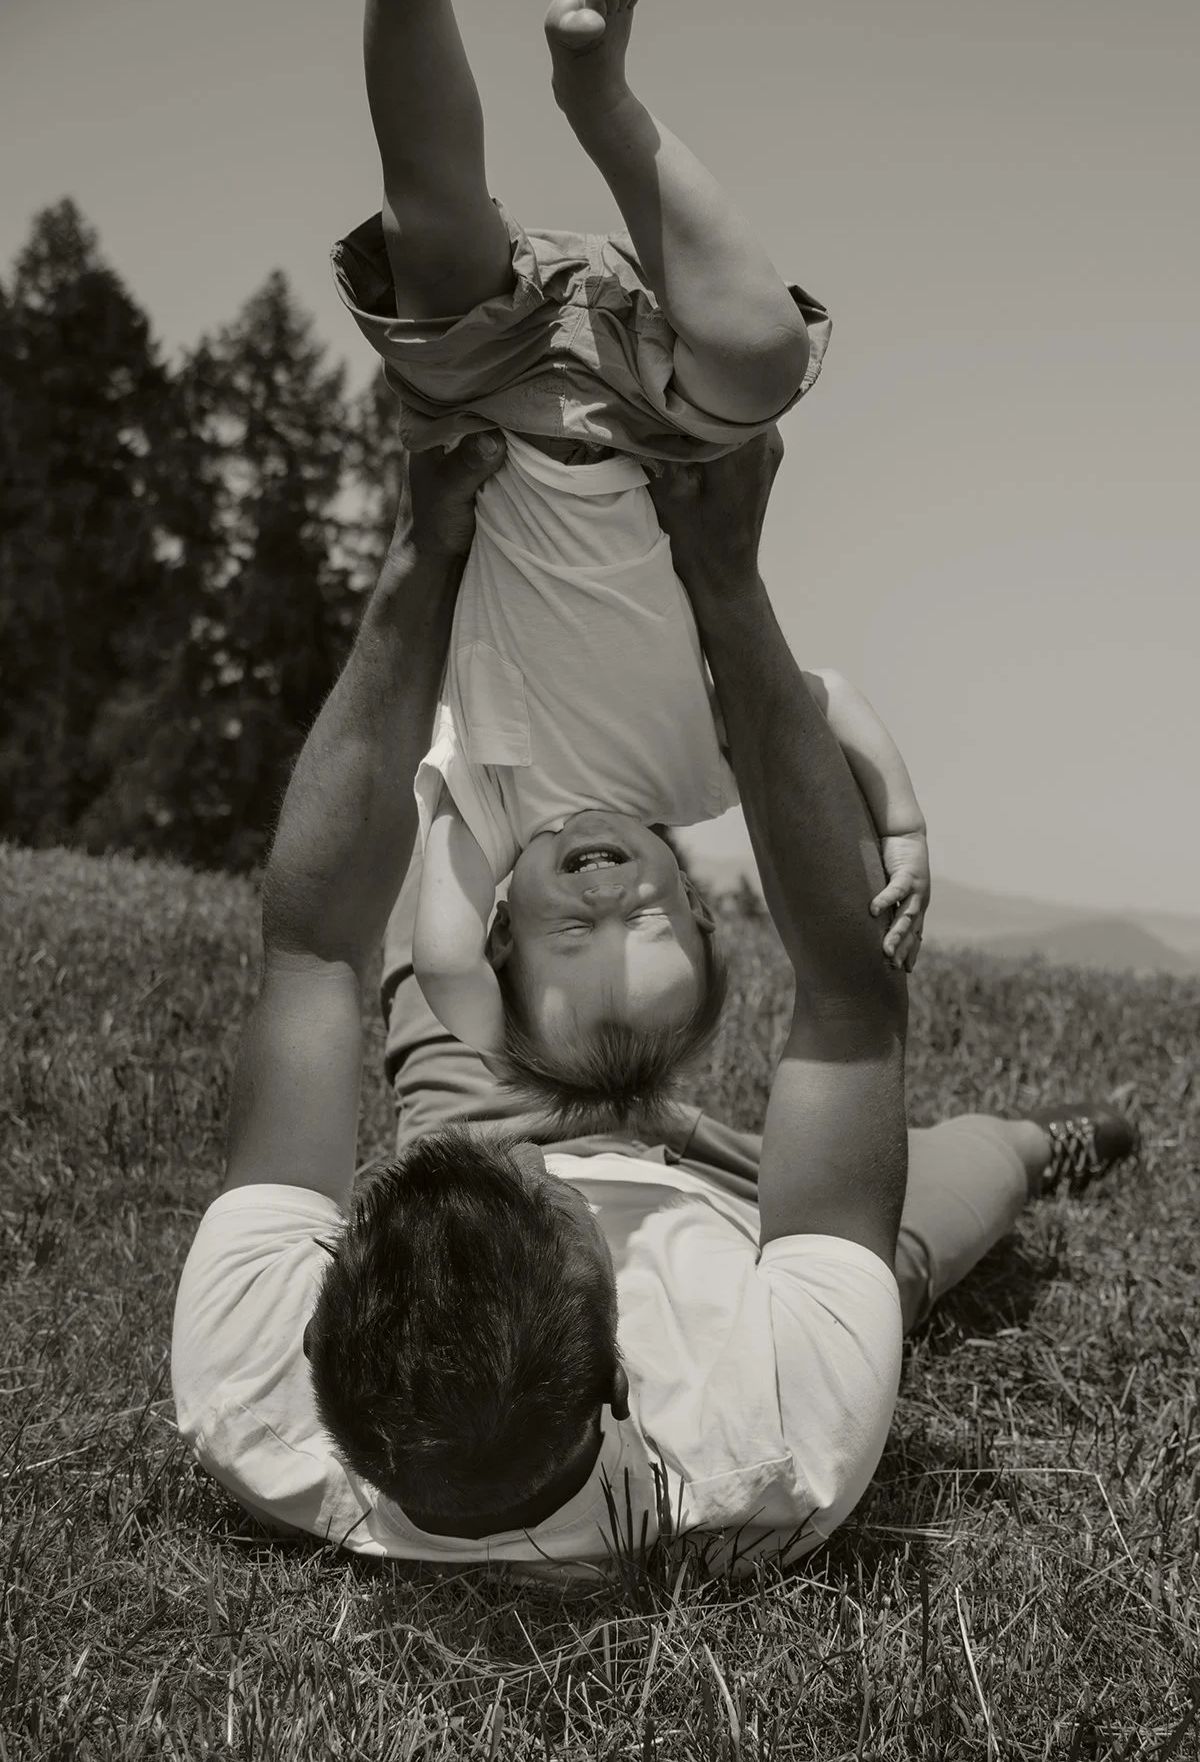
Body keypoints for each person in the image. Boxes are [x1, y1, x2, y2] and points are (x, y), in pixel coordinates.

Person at [171, 428, 1137, 1577]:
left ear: (323, 1329)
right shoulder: (778, 1438)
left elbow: (310, 954)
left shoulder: (248, 1389)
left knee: (445, 932)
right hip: (732, 1210)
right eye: (538, 1191)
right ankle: (1039, 1143)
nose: (538, 1155)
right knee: (928, 1219)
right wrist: (727, 584)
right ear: (625, 1373)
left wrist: (424, 555)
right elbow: (849, 1005)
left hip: (457, 1121)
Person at [331, 0, 930, 1129]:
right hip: (656, 425)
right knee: (765, 356)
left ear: (503, 927)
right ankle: (603, 102)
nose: (608, 898)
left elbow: (440, 957)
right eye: (647, 923)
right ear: (707, 911)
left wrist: (502, 1046)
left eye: (571, 933)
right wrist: (902, 827)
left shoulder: (487, 811)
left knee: (433, 221)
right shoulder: (700, 772)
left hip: (487, 414)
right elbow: (835, 699)